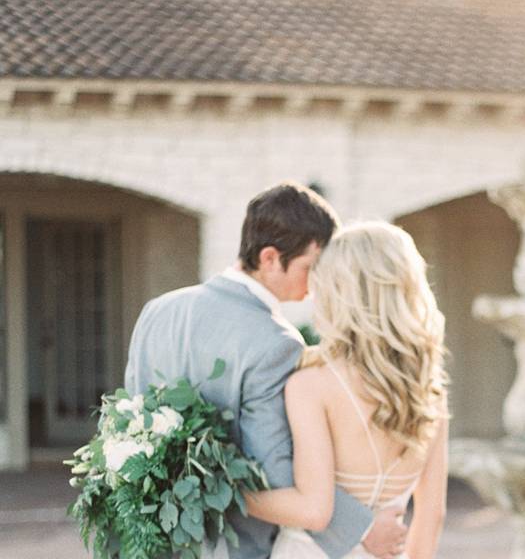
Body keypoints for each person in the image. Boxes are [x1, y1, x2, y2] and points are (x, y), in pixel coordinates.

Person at [124, 183, 407, 559]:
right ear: (270, 257)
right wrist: (364, 528)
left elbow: (131, 433)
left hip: (150, 544)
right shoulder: (278, 343)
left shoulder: (158, 311)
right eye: (311, 268)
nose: (317, 284)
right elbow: (280, 474)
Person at [245, 221, 449, 559]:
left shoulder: (312, 386)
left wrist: (227, 494)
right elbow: (432, 514)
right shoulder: (430, 391)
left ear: (340, 294)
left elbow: (314, 510)